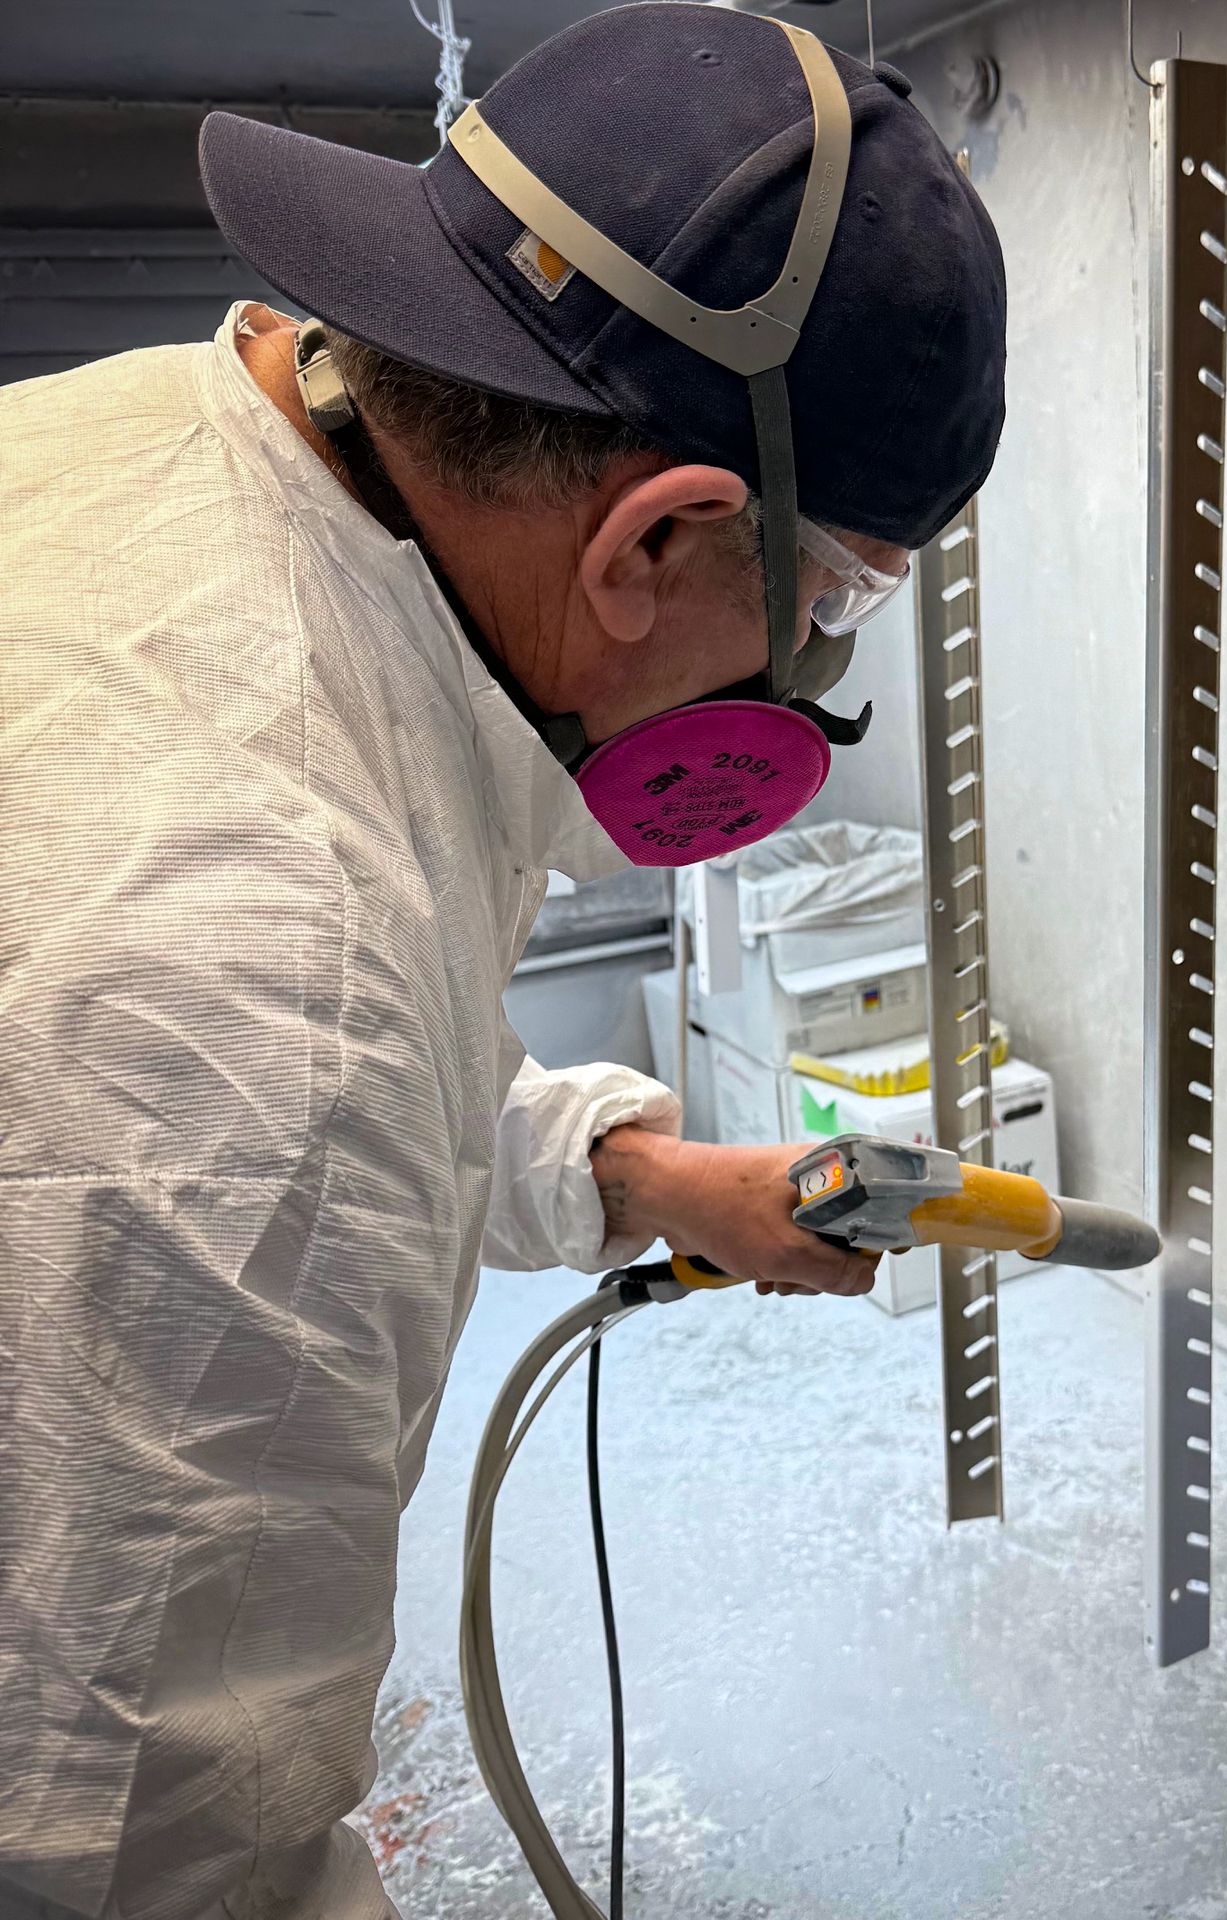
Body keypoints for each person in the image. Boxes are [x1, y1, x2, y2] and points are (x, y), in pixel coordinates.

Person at [0, 5, 1005, 1914]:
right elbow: (135, 1868)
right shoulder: (262, 991)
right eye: (838, 608)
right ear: (659, 542)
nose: (814, 687)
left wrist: (627, 1170)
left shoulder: (181, 449)